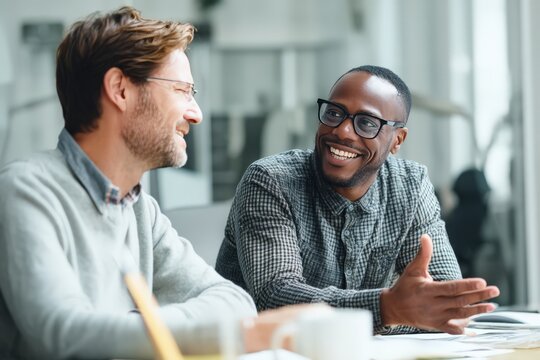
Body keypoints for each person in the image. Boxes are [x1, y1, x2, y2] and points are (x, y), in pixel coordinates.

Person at [0, 7, 317, 359]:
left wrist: (138, 328)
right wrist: (243, 334)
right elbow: (65, 337)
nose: (195, 113)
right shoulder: (25, 191)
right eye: (182, 90)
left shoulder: (138, 210)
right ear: (120, 90)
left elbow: (235, 302)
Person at [216, 65, 500, 335]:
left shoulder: (411, 186)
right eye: (334, 113)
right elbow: (275, 298)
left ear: (397, 140)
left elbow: (446, 306)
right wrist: (388, 308)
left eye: (366, 123)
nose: (341, 130)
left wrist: (398, 311)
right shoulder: (270, 180)